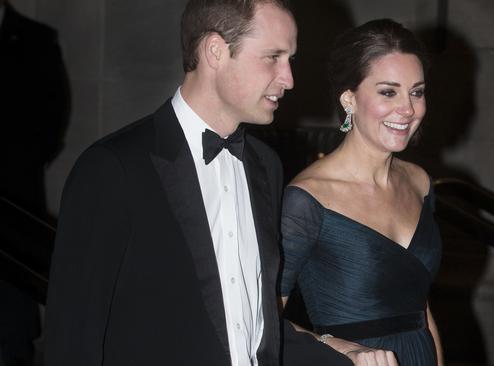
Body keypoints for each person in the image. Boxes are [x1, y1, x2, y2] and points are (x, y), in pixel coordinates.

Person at [44, 1, 351, 365]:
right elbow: (73, 341)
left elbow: (250, 328)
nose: (288, 79)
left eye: (290, 60)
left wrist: (345, 352)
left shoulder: (266, 167)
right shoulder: (112, 169)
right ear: (215, 51)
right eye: (273, 57)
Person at [280, 19, 444, 366]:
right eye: (388, 91)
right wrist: (339, 347)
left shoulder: (419, 182)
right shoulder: (307, 199)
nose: (408, 108)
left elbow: (422, 307)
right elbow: (262, 320)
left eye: (417, 91)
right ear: (349, 99)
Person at [0, 1, 69, 365]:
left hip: (14, 198)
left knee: (12, 315)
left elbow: (53, 117)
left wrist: (18, 166)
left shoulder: (36, 40)